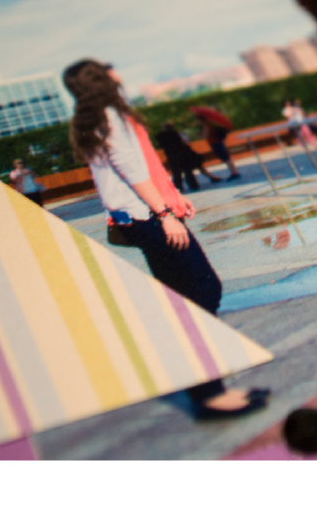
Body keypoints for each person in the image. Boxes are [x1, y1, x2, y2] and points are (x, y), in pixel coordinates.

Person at [62, 59, 268, 419]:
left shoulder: (93, 119)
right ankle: (208, 393)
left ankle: (211, 390)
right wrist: (164, 213)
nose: (116, 71)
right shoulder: (110, 116)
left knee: (187, 298)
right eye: (107, 68)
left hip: (135, 218)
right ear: (99, 78)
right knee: (203, 291)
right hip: (147, 216)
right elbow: (131, 169)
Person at [154, 121, 222, 192]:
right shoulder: (175, 134)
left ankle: (178, 186)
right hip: (182, 154)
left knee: (176, 172)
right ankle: (193, 184)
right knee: (188, 170)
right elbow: (183, 141)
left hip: (171, 156)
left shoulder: (160, 137)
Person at [199, 117, 241, 181]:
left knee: (226, 158)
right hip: (218, 142)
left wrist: (200, 134)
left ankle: (235, 173)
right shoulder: (211, 123)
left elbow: (206, 134)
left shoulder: (206, 125)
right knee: (226, 158)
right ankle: (234, 172)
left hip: (215, 143)